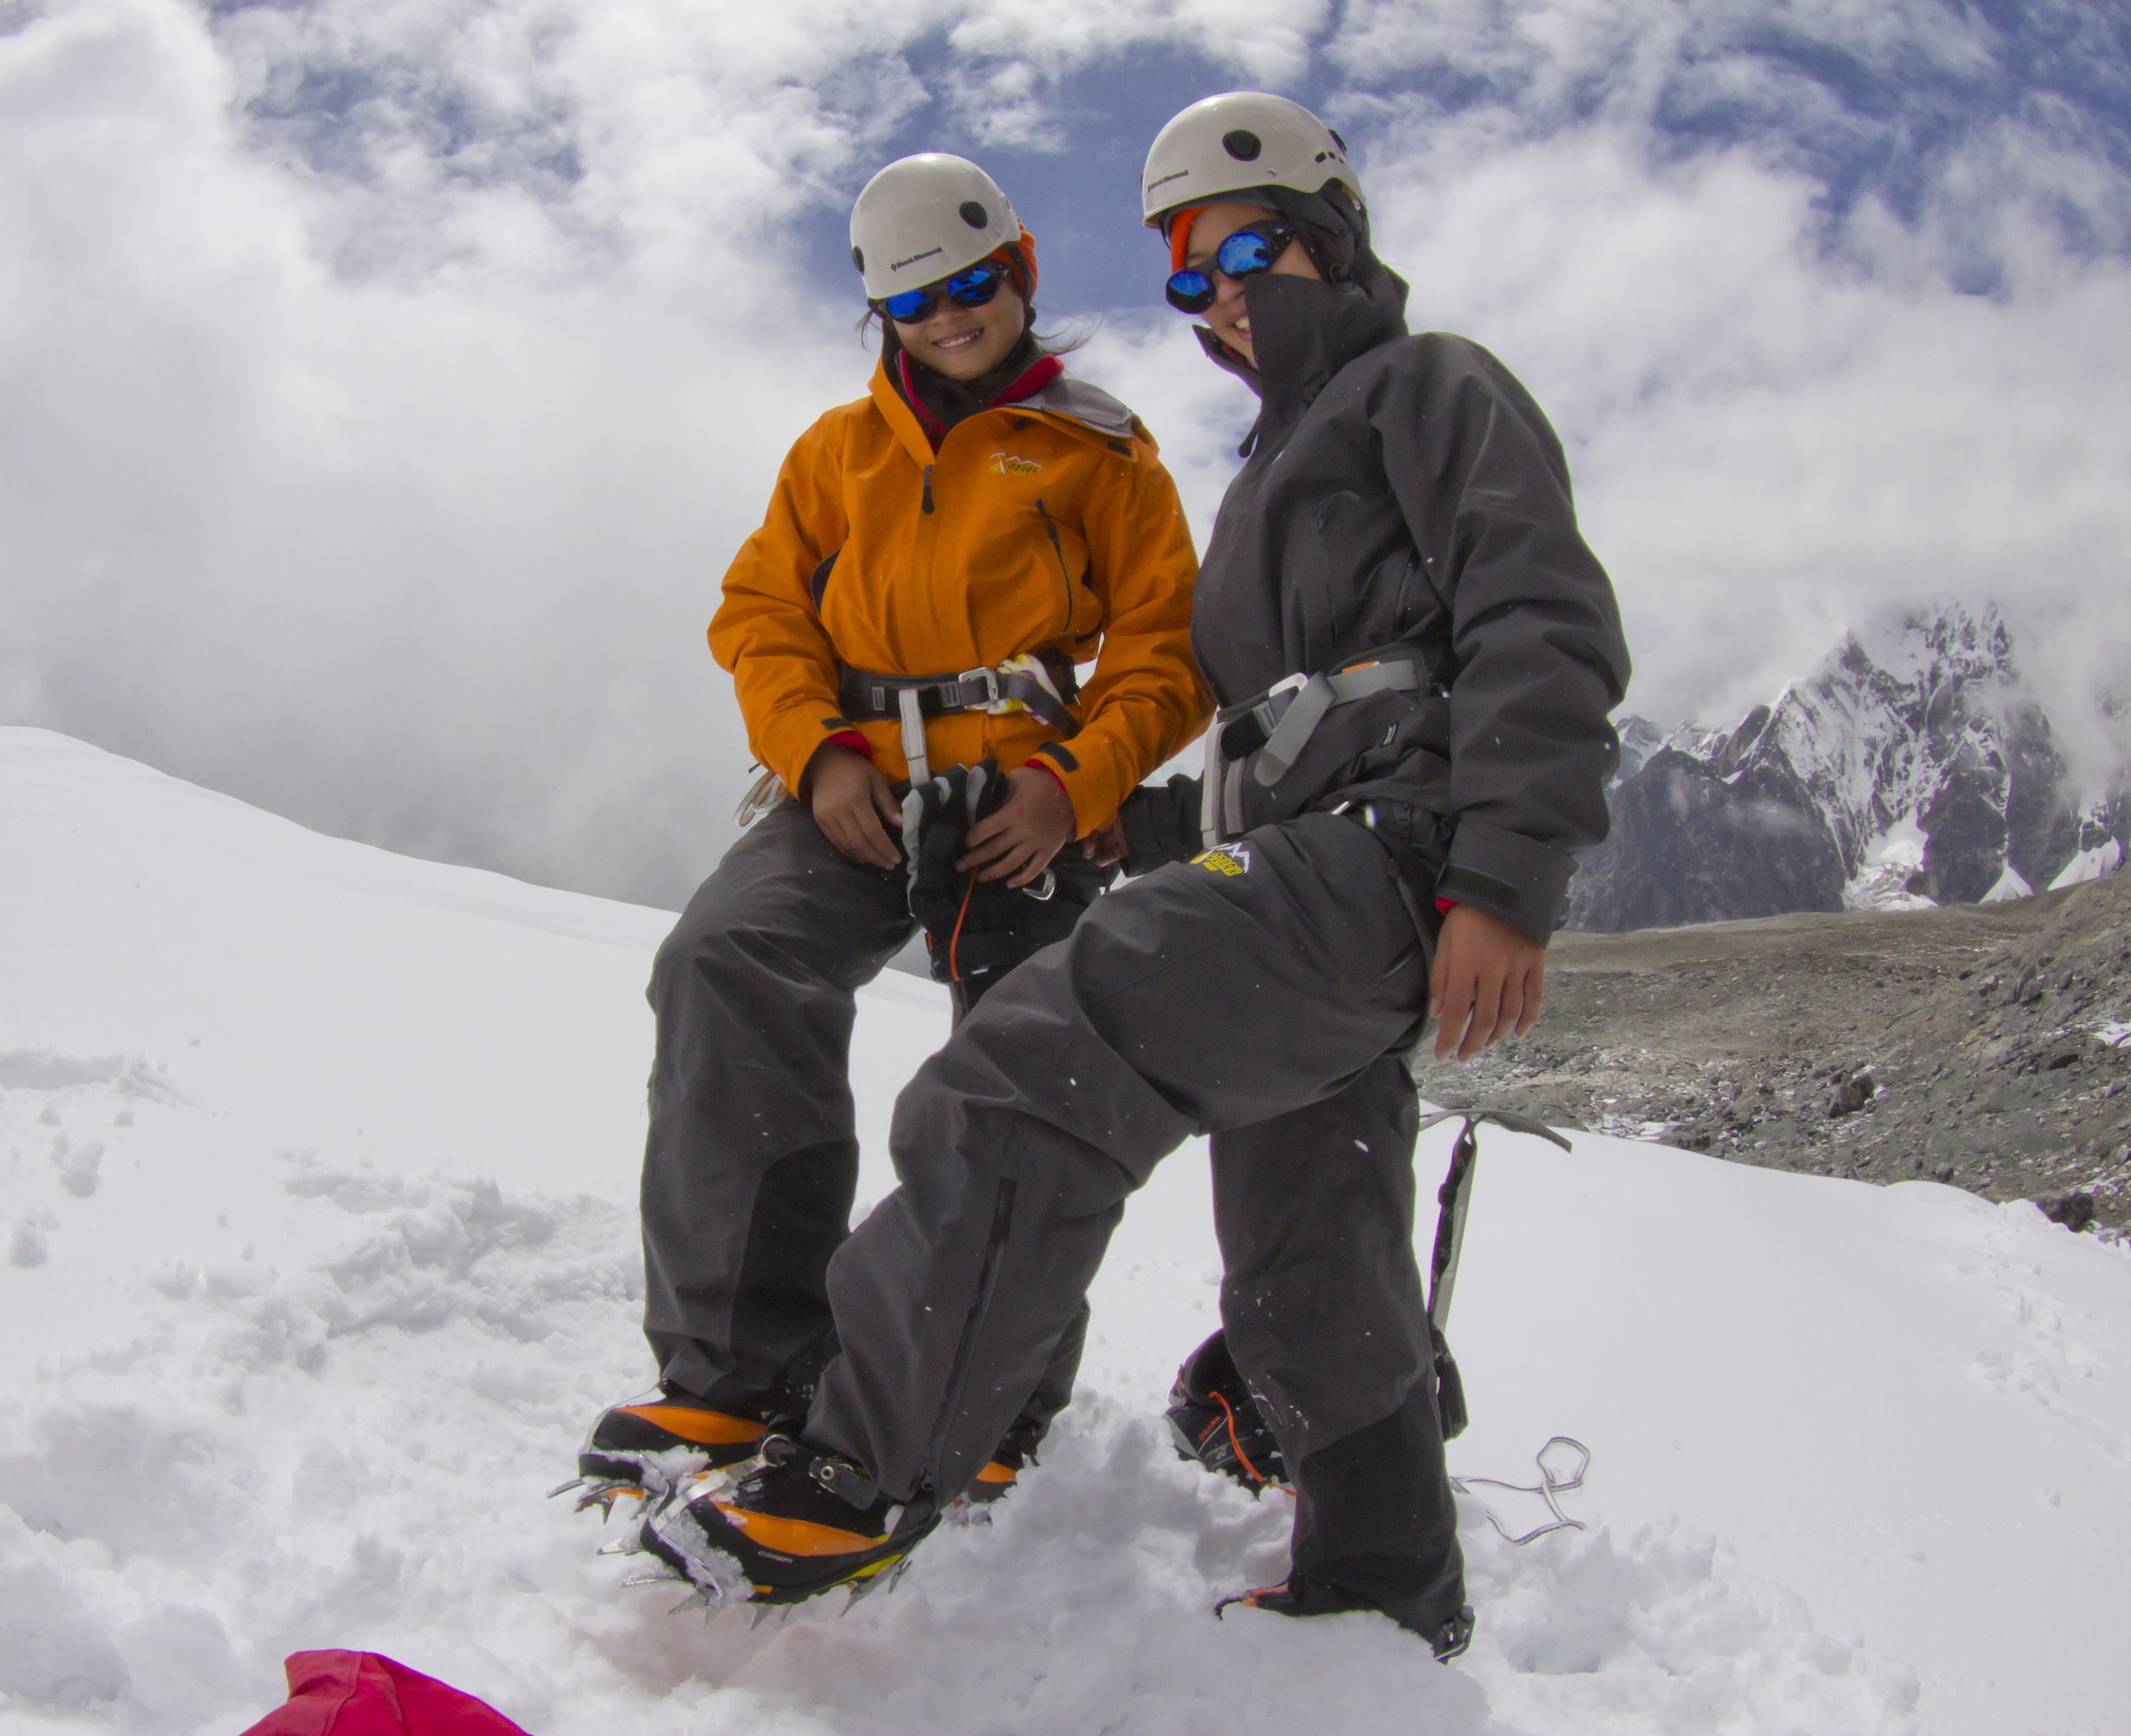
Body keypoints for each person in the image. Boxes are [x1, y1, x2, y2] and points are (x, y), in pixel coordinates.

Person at [645, 94, 1631, 1657]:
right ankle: (1385, 1587)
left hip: (1385, 859)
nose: (1223, 294)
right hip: (1320, 852)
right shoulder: (1279, 460)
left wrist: (1505, 882)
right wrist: (1143, 830)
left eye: (1248, 250)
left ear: (1333, 225)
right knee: (1308, 1236)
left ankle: (862, 1467)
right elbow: (1271, 721)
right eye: (1191, 276)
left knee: (1028, 1063)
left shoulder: (1423, 390)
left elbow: (1539, 619)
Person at [570, 155, 1210, 1513]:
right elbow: (761, 615)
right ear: (882, 314)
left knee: (1024, 1072)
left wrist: (1077, 788)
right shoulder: (837, 451)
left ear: (1021, 269)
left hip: (1019, 800)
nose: (951, 316)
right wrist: (808, 755)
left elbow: (1163, 652)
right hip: (853, 782)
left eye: (974, 284)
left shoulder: (1103, 448)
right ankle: (739, 1369)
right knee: (726, 964)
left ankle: (987, 1396)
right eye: (917, 300)